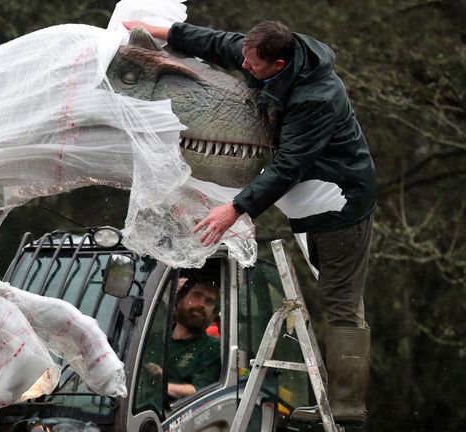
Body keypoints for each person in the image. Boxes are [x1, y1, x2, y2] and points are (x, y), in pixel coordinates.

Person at [123, 19, 376, 425]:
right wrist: (165, 32)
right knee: (337, 298)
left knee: (342, 306)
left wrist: (236, 209)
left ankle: (346, 412)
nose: (245, 65)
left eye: (252, 64)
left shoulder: (318, 98)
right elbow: (221, 42)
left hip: (338, 209)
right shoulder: (266, 53)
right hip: (304, 209)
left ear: (277, 64)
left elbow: (289, 166)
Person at [146, 276, 222, 400]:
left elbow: (200, 392)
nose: (201, 304)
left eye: (209, 301)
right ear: (179, 301)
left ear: (214, 314)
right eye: (196, 295)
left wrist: (162, 383)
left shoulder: (213, 348)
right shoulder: (153, 340)